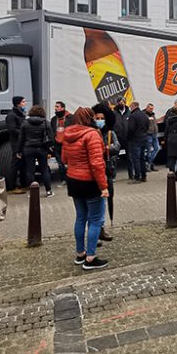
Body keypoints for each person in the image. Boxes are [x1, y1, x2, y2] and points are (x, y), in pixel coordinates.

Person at [61, 107, 110, 270]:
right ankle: (90, 258)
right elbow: (97, 163)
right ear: (90, 118)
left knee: (81, 217)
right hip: (90, 182)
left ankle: (80, 253)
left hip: (73, 180)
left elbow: (64, 159)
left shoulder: (67, 135)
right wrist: (103, 187)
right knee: (96, 220)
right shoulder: (92, 135)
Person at [92, 105, 117, 243]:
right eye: (97, 118)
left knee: (107, 200)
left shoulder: (109, 133)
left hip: (108, 170)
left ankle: (101, 229)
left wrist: (109, 148)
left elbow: (117, 146)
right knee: (96, 203)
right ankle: (96, 232)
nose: (100, 120)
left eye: (102, 118)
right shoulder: (91, 132)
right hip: (95, 172)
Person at [18, 105, 54, 195]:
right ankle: (48, 191)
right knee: (44, 170)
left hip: (28, 149)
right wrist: (49, 147)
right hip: (42, 149)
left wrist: (18, 151)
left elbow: (21, 138)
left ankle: (32, 193)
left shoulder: (25, 123)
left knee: (30, 171)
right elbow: (51, 137)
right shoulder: (46, 122)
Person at [5, 96, 27, 193]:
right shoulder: (12, 115)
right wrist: (25, 133)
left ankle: (23, 184)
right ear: (18, 103)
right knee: (15, 165)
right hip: (17, 144)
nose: (24, 103)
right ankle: (11, 187)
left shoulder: (21, 114)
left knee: (23, 165)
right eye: (23, 102)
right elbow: (12, 130)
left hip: (22, 143)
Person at [124, 101, 149, 182]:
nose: (130, 108)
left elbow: (130, 128)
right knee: (142, 158)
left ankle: (137, 177)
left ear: (134, 106)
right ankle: (144, 176)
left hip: (135, 140)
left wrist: (128, 137)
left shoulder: (132, 116)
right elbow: (147, 125)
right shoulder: (144, 115)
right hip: (144, 138)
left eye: (131, 106)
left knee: (136, 159)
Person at [50, 101, 71, 182]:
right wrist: (52, 143)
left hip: (67, 144)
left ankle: (71, 178)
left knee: (69, 162)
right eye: (55, 106)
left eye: (57, 106)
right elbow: (51, 132)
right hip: (57, 144)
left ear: (63, 108)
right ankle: (64, 179)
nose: (55, 108)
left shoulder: (70, 118)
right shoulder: (54, 119)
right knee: (60, 163)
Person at [144, 103, 159, 172]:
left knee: (157, 148)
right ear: (147, 108)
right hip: (148, 135)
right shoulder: (144, 115)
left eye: (152, 109)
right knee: (148, 150)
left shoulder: (153, 115)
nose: (151, 110)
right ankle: (149, 164)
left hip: (154, 134)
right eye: (150, 108)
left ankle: (149, 162)